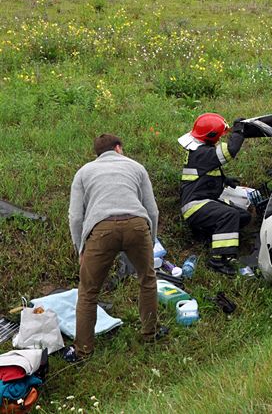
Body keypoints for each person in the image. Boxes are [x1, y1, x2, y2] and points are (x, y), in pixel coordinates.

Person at [68, 134, 163, 359]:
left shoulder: (84, 172)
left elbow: (75, 217)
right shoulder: (137, 168)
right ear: (119, 148)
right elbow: (153, 211)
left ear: (97, 154)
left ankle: (83, 351)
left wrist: (80, 247)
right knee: (147, 280)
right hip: (137, 225)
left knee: (88, 292)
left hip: (101, 230)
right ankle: (150, 333)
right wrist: (152, 240)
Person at [179, 113, 249, 275]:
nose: (220, 138)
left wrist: (225, 180)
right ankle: (218, 259)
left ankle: (209, 235)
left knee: (243, 216)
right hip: (195, 205)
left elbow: (204, 175)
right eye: (219, 135)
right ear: (211, 136)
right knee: (229, 215)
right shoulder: (202, 153)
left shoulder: (199, 150)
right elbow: (231, 150)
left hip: (202, 202)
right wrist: (239, 131)